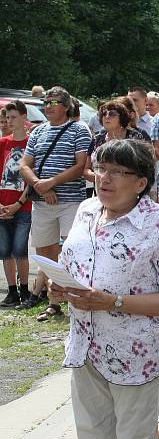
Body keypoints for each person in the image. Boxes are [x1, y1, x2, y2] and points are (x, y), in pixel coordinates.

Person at [49, 139, 159, 439]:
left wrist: (112, 301)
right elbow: (76, 268)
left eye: (116, 171)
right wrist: (61, 287)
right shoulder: (86, 210)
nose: (104, 178)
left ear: (141, 183)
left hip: (135, 355)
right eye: (100, 168)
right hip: (85, 348)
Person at [19, 86, 92, 313]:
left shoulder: (79, 129)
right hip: (42, 203)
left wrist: (52, 183)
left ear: (66, 106)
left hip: (70, 201)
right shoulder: (38, 132)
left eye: (54, 102)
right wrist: (41, 186)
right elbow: (24, 165)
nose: (48, 106)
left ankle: (74, 298)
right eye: (46, 102)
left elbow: (80, 166)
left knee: (71, 250)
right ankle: (53, 300)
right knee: (45, 251)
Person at [0, 101, 32, 309]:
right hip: (2, 204)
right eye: (7, 118)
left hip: (23, 206)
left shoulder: (31, 143)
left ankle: (24, 289)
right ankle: (11, 291)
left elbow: (31, 179)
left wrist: (19, 203)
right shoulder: (3, 143)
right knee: (4, 251)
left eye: (13, 117)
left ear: (23, 118)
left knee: (20, 250)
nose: (9, 121)